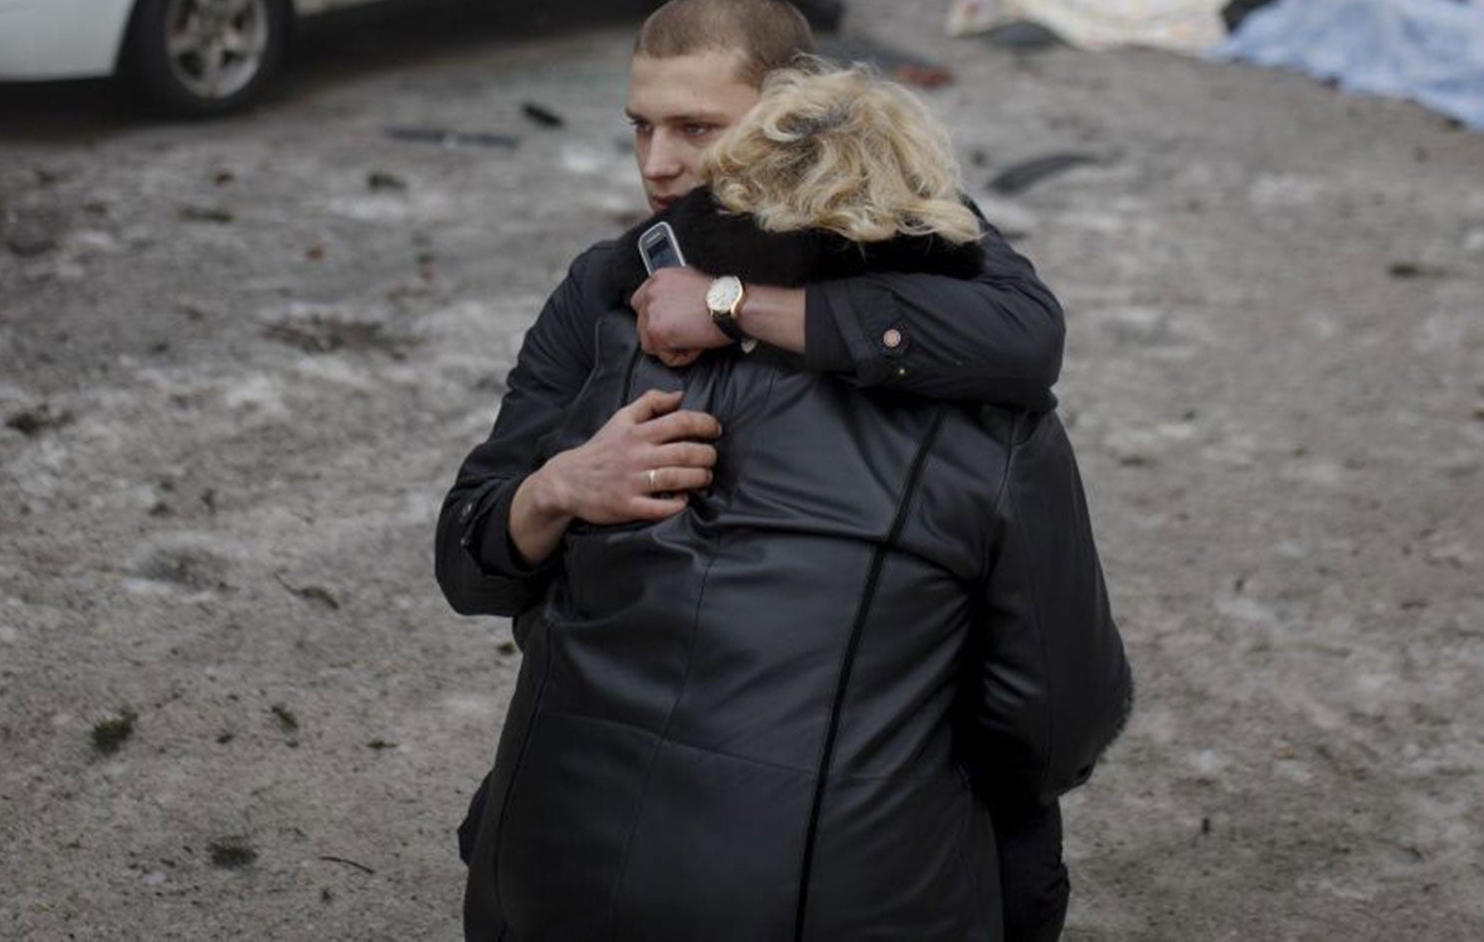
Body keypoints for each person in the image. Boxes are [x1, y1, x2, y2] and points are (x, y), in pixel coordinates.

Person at [438, 61, 1131, 940]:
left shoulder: (627, 340)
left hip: (542, 879)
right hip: (834, 901)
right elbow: (1057, 720)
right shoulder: (992, 426)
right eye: (642, 130)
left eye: (694, 131)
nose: (658, 165)